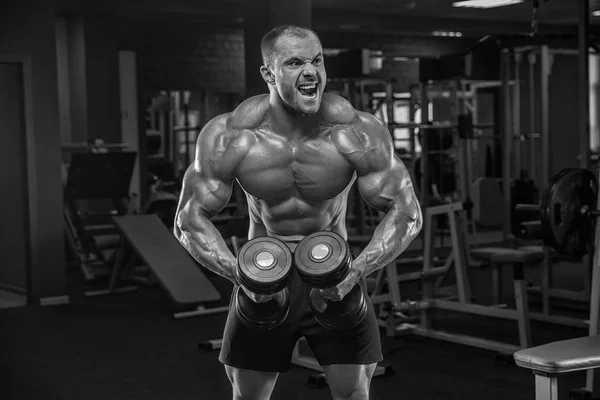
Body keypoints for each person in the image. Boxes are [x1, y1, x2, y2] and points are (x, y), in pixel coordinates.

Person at [174, 25, 422, 400]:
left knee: (354, 395)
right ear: (268, 74)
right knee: (248, 397)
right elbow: (188, 220)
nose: (311, 72)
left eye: (317, 60)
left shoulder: (354, 131)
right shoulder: (231, 135)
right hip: (263, 278)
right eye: (294, 62)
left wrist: (358, 270)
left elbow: (407, 211)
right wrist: (240, 277)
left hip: (336, 276)